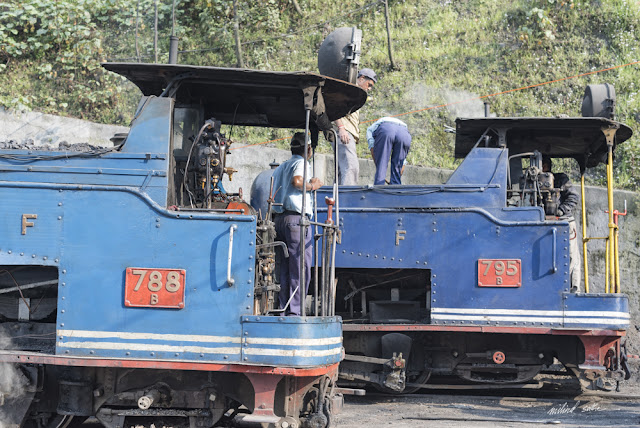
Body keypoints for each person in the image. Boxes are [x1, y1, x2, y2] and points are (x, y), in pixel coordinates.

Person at [272, 133, 323, 315]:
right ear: (308, 149)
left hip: (279, 220)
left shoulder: (281, 167)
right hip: (296, 220)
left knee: (285, 269)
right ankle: (295, 312)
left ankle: (282, 309)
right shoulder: (301, 163)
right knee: (300, 269)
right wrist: (313, 185)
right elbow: (297, 181)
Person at [332, 68, 377, 185]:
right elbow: (334, 107)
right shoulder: (348, 89)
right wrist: (341, 128)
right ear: (361, 78)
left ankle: (338, 199)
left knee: (342, 170)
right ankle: (348, 199)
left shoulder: (355, 93)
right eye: (369, 84)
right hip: (344, 133)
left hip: (346, 133)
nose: (369, 88)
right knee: (351, 167)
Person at [542, 156, 581, 292]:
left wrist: (560, 211)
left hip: (564, 221)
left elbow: (573, 197)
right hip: (542, 223)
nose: (542, 168)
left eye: (544, 165)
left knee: (571, 255)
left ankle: (574, 287)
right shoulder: (532, 182)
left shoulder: (560, 179)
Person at [366, 116, 411, 185]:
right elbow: (402, 161)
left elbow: (373, 149)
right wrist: (397, 174)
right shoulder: (402, 127)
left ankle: (379, 190)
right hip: (404, 133)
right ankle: (395, 190)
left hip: (386, 130)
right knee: (397, 174)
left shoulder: (371, 129)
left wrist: (379, 168)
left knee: (381, 168)